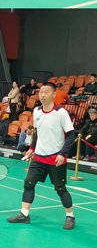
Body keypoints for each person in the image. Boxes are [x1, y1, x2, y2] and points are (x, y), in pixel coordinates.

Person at [6, 82, 76, 230]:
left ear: (54, 94)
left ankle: (70, 216)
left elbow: (71, 135)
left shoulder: (61, 113)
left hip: (56, 158)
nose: (42, 95)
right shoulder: (37, 111)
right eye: (41, 92)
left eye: (46, 92)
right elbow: (38, 132)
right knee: (28, 184)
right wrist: (32, 148)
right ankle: (24, 215)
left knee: (60, 189)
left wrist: (63, 154)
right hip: (39, 157)